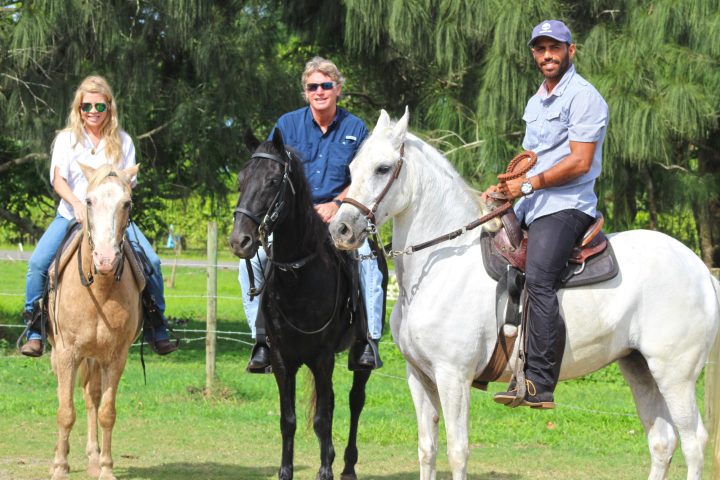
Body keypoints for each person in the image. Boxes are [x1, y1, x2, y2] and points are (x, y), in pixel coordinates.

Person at [489, 20, 609, 408]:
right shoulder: (536, 100)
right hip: (531, 203)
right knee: (487, 255)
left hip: (566, 206)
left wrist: (527, 186)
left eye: (554, 48)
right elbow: (529, 158)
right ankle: (493, 360)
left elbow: (579, 161)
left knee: (539, 278)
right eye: (539, 49)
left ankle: (538, 381)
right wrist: (505, 186)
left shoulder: (584, 97)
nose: (546, 56)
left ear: (570, 50)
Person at [239, 56, 385, 373]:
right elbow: (271, 172)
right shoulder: (286, 125)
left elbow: (365, 178)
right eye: (312, 86)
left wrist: (337, 202)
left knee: (368, 260)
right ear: (305, 92)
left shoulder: (356, 128)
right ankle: (261, 341)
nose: (319, 91)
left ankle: (368, 340)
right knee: (251, 260)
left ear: (338, 89)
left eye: (325, 85)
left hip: (342, 214)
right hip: (295, 218)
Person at [19, 75, 177, 357]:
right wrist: (78, 205)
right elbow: (59, 180)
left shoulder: (123, 142)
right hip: (72, 215)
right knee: (38, 264)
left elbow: (128, 184)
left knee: (151, 262)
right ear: (78, 109)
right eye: (86, 106)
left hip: (113, 220)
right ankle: (35, 329)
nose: (93, 112)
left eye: (99, 107)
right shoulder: (67, 139)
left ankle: (156, 326)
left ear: (109, 108)